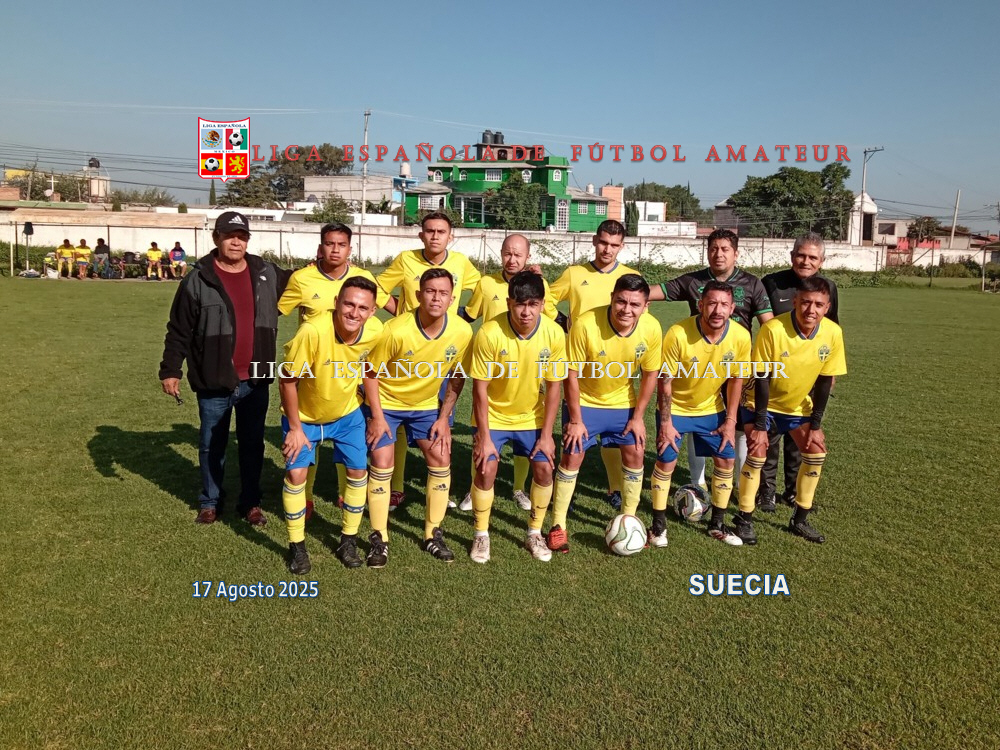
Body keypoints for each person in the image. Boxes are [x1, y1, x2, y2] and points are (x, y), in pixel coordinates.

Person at [159, 211, 290, 526]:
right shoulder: (198, 278)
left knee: (252, 444)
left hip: (256, 377)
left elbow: (309, 280)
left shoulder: (267, 273)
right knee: (211, 444)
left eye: (242, 236)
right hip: (214, 376)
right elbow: (179, 329)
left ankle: (251, 502)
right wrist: (170, 369)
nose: (236, 242)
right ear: (216, 237)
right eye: (230, 236)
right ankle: (210, 501)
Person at [278, 222, 390, 519]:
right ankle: (306, 498)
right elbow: (275, 311)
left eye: (341, 244)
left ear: (350, 249)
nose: (335, 250)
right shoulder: (302, 278)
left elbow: (390, 307)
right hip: (311, 370)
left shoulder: (364, 279)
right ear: (321, 247)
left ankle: (345, 495)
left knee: (351, 447)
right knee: (306, 446)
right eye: (330, 244)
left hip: (346, 378)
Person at [647, 228, 773, 490]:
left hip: (735, 367)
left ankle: (738, 481)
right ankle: (698, 482)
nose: (719, 254)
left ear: (736, 253)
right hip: (700, 364)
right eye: (714, 249)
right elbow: (651, 291)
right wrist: (633, 297)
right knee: (699, 419)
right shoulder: (693, 281)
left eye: (725, 249)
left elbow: (769, 326)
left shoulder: (752, 283)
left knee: (737, 424)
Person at [545, 274, 662, 554]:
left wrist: (638, 418)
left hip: (623, 402)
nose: (626, 309)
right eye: (621, 301)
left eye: (635, 304)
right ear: (612, 298)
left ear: (645, 306)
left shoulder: (652, 328)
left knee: (636, 452)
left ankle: (629, 519)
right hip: (585, 401)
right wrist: (575, 420)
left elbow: (650, 375)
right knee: (572, 455)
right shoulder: (585, 324)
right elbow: (570, 374)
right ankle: (558, 525)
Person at [364, 268, 473, 563]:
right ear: (418, 295)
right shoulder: (395, 330)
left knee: (441, 457)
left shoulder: (462, 331)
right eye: (430, 291)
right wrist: (377, 417)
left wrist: (444, 418)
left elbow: (457, 376)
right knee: (382, 461)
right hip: (387, 403)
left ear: (452, 299)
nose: (436, 298)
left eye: (443, 293)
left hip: (425, 407)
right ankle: (379, 538)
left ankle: (432, 534)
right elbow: (370, 373)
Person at [375, 211, 482, 511]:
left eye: (441, 231)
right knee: (397, 421)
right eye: (430, 231)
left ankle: (438, 487)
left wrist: (467, 315)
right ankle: (396, 487)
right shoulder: (406, 260)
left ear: (451, 236)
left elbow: (485, 288)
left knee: (440, 422)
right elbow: (378, 288)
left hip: (442, 349)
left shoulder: (461, 263)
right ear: (421, 234)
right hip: (407, 347)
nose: (435, 236)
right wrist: (398, 310)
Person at [278, 276, 384, 573]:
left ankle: (347, 540)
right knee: (296, 475)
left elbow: (370, 370)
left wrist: (377, 416)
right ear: (336, 303)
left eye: (362, 308)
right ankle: (297, 546)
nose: (354, 312)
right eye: (348, 304)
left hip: (347, 415)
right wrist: (295, 428)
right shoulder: (312, 331)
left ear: (372, 311)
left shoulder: (375, 331)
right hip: (305, 418)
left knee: (358, 472)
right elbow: (287, 380)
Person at [734, 276, 847, 544]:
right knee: (757, 452)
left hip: (796, 406)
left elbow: (824, 382)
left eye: (818, 304)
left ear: (827, 307)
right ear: (795, 301)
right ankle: (744, 519)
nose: (811, 310)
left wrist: (815, 426)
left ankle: (800, 519)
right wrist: (760, 425)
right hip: (759, 402)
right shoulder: (773, 330)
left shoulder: (833, 333)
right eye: (805, 302)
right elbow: (761, 378)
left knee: (816, 451)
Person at [467, 271, 566, 563]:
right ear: (509, 302)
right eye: (520, 304)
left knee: (545, 468)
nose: (526, 311)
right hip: (494, 415)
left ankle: (534, 532)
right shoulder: (489, 333)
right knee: (485, 469)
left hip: (532, 418)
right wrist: (484, 437)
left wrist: (547, 436)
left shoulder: (553, 333)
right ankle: (481, 534)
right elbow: (479, 389)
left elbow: (554, 387)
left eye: (533, 304)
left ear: (542, 304)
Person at [458, 233, 557, 513]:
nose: (512, 259)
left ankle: (518, 487)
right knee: (482, 437)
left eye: (518, 255)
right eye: (507, 254)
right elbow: (469, 315)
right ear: (500, 254)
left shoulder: (539, 285)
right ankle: (474, 487)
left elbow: (549, 318)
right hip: (492, 364)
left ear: (527, 257)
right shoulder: (486, 283)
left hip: (528, 365)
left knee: (525, 436)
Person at [548, 219, 640, 511]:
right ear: (594, 241)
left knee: (614, 440)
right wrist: (563, 321)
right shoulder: (575, 274)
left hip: (615, 365)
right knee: (574, 434)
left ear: (621, 246)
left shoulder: (630, 276)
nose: (607, 250)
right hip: (580, 360)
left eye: (614, 245)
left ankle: (615, 488)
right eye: (603, 243)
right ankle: (563, 494)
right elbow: (547, 299)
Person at [654, 281, 752, 547]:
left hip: (711, 409)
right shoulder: (678, 333)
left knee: (725, 460)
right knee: (666, 462)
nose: (717, 310)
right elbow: (665, 381)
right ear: (700, 305)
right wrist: (666, 423)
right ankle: (658, 527)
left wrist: (730, 421)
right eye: (711, 303)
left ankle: (716, 525)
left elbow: (736, 381)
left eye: (724, 304)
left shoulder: (741, 336)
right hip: (676, 409)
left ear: (732, 308)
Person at [758, 232, 841, 512]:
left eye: (812, 257)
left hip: (810, 371)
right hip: (776, 368)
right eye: (801, 255)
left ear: (822, 261)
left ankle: (792, 491)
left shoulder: (828, 287)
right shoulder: (772, 283)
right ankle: (766, 491)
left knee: (801, 435)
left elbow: (832, 327)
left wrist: (829, 374)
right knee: (769, 434)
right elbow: (766, 323)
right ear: (792, 256)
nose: (806, 261)